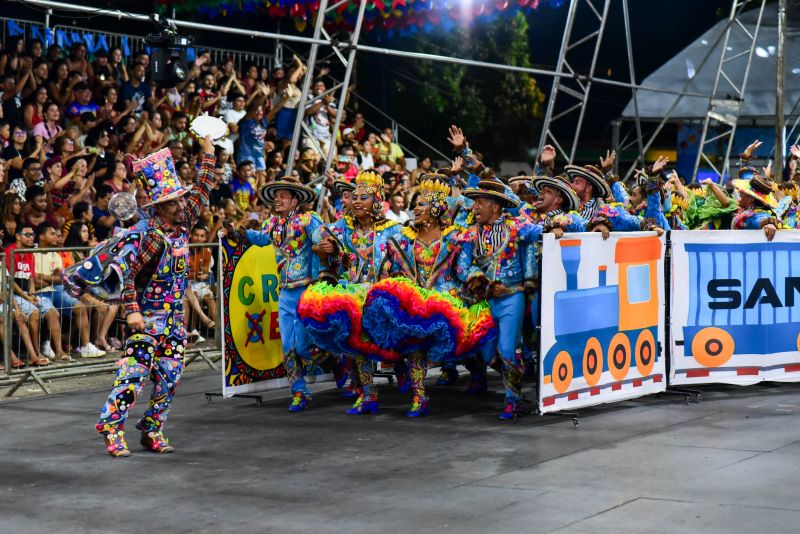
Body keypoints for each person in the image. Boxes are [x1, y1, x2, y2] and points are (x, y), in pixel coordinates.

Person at [64, 136, 217, 457]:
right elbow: (129, 277)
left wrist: (209, 154)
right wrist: (132, 312)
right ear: (160, 207)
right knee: (133, 374)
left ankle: (152, 428)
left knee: (170, 377)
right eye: (174, 202)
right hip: (146, 321)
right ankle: (112, 429)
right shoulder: (150, 237)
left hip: (174, 321)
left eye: (180, 200)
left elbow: (202, 191)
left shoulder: (183, 225)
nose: (182, 205)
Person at [366, 175, 492, 416]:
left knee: (459, 347)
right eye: (415, 204)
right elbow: (393, 268)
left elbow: (464, 268)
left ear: (436, 209)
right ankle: (419, 395)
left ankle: (477, 373)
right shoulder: (403, 239)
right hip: (416, 300)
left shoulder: (455, 237)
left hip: (447, 299)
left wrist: (477, 279)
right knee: (414, 346)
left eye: (421, 204)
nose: (416, 208)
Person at [307, 170, 403, 415]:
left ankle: (409, 381)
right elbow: (318, 235)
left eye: (364, 197)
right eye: (355, 197)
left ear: (377, 201)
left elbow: (405, 264)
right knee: (359, 346)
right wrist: (323, 248)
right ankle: (369, 394)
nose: (357, 201)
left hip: (383, 298)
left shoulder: (394, 230)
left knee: (398, 345)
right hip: (354, 297)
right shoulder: (344, 228)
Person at [226, 178, 323, 412]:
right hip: (285, 292)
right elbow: (260, 239)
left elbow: (322, 244)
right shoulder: (272, 223)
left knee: (303, 346)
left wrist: (322, 275)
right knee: (288, 345)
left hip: (308, 290)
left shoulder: (310, 220)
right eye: (276, 196)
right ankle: (299, 391)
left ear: (295, 200)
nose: (277, 200)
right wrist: (236, 232)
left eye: (283, 196)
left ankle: (333, 360)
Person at [461, 179, 544, 419]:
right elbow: (463, 266)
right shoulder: (471, 232)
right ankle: (513, 377)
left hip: (512, 296)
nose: (474, 207)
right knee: (487, 352)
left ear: (495, 206)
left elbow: (542, 231)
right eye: (474, 203)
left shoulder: (517, 227)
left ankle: (513, 398)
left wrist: (558, 227)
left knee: (508, 347)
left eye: (480, 203)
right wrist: (483, 284)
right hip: (484, 300)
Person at [34, 222, 104, 359]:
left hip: (57, 290)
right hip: (40, 292)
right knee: (53, 314)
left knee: (80, 307)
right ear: (42, 236)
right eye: (52, 234)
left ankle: (85, 346)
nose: (56, 237)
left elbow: (62, 278)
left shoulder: (56, 254)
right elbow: (35, 281)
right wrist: (51, 277)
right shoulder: (33, 253)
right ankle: (59, 351)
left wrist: (46, 277)